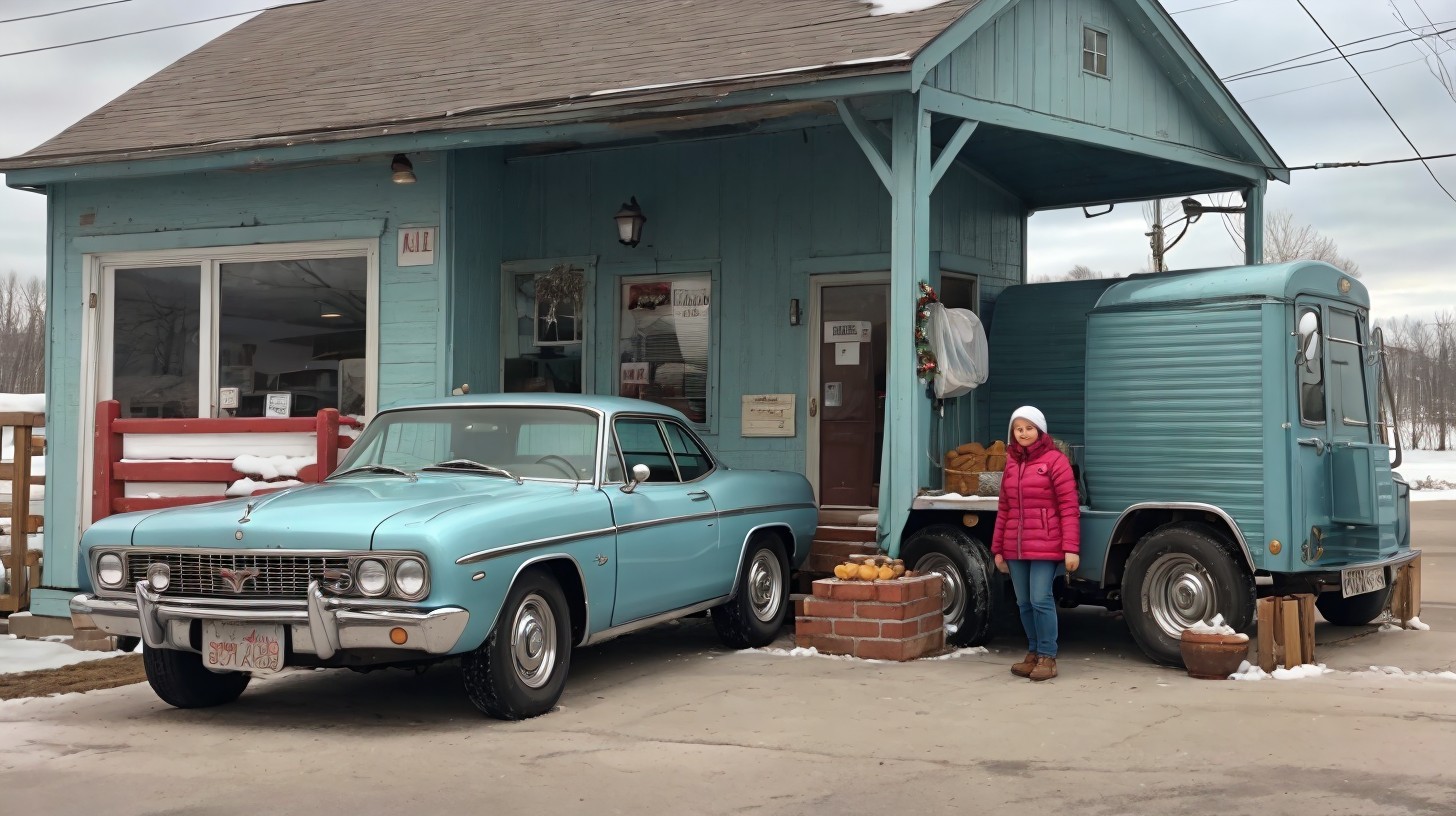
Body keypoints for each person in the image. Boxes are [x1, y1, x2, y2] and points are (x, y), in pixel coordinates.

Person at [991, 406, 1080, 681]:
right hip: (1015, 546)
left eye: (1029, 428)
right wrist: (998, 549)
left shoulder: (1055, 461)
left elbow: (1068, 506)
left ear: (1040, 430)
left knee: (1041, 599)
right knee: (1023, 602)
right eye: (1019, 429)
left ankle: (1047, 656)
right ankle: (1032, 653)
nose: (1024, 433)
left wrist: (1071, 548)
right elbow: (1004, 508)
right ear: (1012, 432)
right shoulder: (1011, 464)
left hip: (1046, 543)